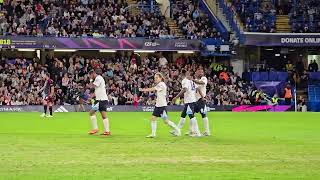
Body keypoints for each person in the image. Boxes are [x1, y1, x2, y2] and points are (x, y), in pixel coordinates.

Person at [139, 72, 180, 138]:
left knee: (166, 121)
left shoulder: (161, 84)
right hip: (158, 106)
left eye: (157, 77)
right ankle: (153, 134)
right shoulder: (160, 84)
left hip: (162, 106)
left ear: (161, 78)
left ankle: (177, 130)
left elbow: (153, 89)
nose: (155, 79)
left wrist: (143, 89)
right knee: (153, 118)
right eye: (155, 78)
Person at [172, 70, 205, 137]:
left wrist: (176, 97)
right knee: (183, 115)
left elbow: (184, 89)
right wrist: (202, 97)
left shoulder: (186, 81)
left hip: (190, 102)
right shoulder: (192, 81)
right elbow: (198, 88)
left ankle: (197, 133)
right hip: (191, 101)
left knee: (191, 116)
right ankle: (177, 130)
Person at [88, 69, 111, 136]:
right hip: (98, 100)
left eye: (91, 75)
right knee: (92, 112)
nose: (90, 77)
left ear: (93, 73)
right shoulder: (98, 79)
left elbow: (92, 86)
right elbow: (96, 90)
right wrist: (91, 97)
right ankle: (96, 129)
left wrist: (91, 80)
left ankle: (107, 131)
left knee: (103, 115)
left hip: (102, 100)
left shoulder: (98, 78)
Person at [192, 67, 210, 136]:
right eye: (199, 72)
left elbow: (202, 83)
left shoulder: (204, 78)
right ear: (196, 72)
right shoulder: (195, 80)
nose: (200, 73)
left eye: (202, 72)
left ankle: (207, 131)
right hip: (194, 99)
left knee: (203, 114)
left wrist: (193, 80)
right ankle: (193, 131)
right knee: (191, 114)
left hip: (201, 99)